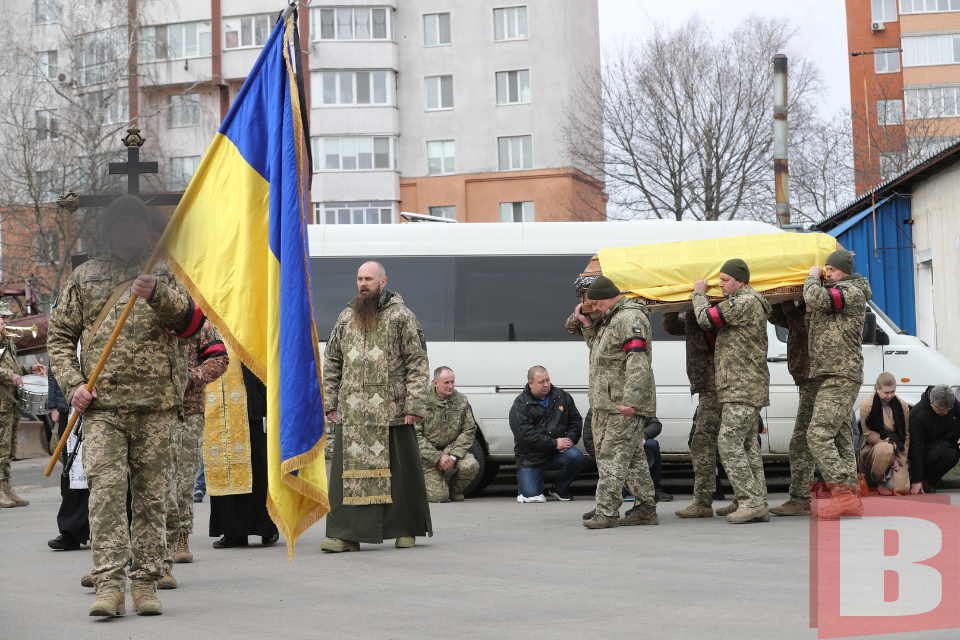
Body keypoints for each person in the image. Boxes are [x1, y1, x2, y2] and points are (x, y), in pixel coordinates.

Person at [48, 194, 205, 617]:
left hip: (157, 408)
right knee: (106, 498)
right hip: (104, 410)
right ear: (111, 228)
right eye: (123, 221)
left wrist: (157, 293)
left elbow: (191, 324)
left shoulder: (166, 272)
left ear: (145, 227)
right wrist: (74, 385)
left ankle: (146, 584)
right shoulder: (85, 276)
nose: (131, 227)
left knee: (153, 500)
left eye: (137, 221)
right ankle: (109, 585)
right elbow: (59, 337)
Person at [321, 261, 432, 552]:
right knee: (347, 476)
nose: (363, 284)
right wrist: (330, 403)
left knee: (399, 475)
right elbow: (332, 361)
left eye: (369, 278)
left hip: (393, 411)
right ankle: (346, 534)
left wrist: (414, 404)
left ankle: (405, 530)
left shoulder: (402, 316)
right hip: (352, 413)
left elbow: (417, 362)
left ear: (383, 282)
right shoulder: (345, 317)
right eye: (360, 278)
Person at [574, 275, 658, 529]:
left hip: (622, 405)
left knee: (611, 457)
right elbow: (601, 353)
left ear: (608, 298)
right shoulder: (612, 318)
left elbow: (637, 361)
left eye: (596, 304)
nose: (594, 308)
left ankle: (607, 512)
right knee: (632, 460)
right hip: (608, 404)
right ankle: (646, 508)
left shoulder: (630, 318)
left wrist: (630, 400)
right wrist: (587, 325)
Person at [691, 258, 771, 524]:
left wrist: (699, 294)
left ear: (741, 281)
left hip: (742, 387)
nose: (720, 284)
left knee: (728, 441)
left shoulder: (744, 302)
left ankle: (751, 501)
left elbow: (706, 319)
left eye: (725, 280)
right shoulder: (746, 301)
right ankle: (756, 499)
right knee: (747, 445)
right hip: (743, 386)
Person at [159, 319, 228, 589]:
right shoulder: (144, 317)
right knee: (152, 481)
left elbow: (220, 360)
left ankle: (181, 537)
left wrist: (190, 378)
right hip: (150, 412)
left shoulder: (198, 323)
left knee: (184, 480)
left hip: (188, 412)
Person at [803, 249, 872, 519]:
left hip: (841, 374)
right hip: (834, 373)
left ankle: (842, 495)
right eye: (825, 269)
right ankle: (851, 498)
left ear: (844, 271)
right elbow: (818, 320)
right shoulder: (839, 292)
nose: (826, 273)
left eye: (831, 269)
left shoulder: (850, 291)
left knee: (817, 435)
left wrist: (812, 277)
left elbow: (816, 297)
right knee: (842, 439)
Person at [662, 310, 728, 518]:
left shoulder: (714, 313)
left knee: (705, 443)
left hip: (716, 386)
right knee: (718, 443)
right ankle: (746, 498)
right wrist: (671, 305)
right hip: (707, 387)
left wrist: (693, 310)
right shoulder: (692, 315)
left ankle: (703, 501)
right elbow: (671, 327)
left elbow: (705, 332)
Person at [208, 359, 280, 548]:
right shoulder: (210, 337)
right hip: (217, 410)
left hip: (252, 407)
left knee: (259, 470)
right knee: (224, 471)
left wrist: (268, 404)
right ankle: (233, 532)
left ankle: (267, 527)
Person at [767, 300, 817, 516]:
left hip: (815, 379)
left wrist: (789, 306)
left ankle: (801, 498)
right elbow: (776, 317)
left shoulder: (817, 304)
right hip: (808, 379)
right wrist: (778, 300)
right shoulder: (802, 307)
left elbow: (806, 326)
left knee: (801, 441)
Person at [509, 365, 584, 503]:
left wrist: (568, 441)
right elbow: (525, 436)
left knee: (576, 456)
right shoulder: (520, 404)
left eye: (547, 380)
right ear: (530, 383)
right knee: (532, 497)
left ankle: (559, 489)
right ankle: (527, 488)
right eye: (541, 382)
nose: (546, 385)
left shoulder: (562, 396)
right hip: (531, 457)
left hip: (556, 453)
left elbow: (575, 421)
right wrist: (554, 443)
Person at [0, 302, 46, 509]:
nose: (5, 321)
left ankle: (6, 488)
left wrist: (29, 369)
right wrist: (9, 375)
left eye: (7, 318)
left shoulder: (7, 340)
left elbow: (14, 367)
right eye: (1, 317)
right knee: (1, 450)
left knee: (10, 450)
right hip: (1, 403)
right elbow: (8, 372)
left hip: (11, 402)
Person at [415, 366, 480, 503]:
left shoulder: (461, 400)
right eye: (446, 382)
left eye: (452, 381)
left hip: (451, 451)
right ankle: (418, 486)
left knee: (471, 465)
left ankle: (453, 489)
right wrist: (437, 457)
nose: (450, 386)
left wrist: (454, 455)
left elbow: (469, 430)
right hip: (427, 456)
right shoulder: (422, 401)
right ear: (436, 383)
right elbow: (415, 436)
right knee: (439, 497)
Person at [47, 368, 89, 550]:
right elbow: (56, 366)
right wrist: (55, 404)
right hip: (70, 402)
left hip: (105, 402)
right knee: (72, 468)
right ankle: (72, 531)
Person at [860, 372, 911, 495]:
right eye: (886, 392)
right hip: (875, 447)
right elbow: (869, 434)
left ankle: (892, 476)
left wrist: (898, 459)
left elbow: (906, 434)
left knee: (901, 490)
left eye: (893, 391)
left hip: (898, 449)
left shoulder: (902, 405)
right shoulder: (867, 405)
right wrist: (890, 443)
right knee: (886, 448)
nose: (890, 395)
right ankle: (879, 480)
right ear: (877, 389)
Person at [908, 384, 960, 493]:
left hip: (943, 439)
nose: (946, 413)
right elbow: (916, 449)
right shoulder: (917, 415)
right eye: (941, 410)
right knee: (952, 455)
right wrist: (917, 480)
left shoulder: (950, 401)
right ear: (932, 403)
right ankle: (925, 480)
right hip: (926, 448)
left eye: (948, 409)